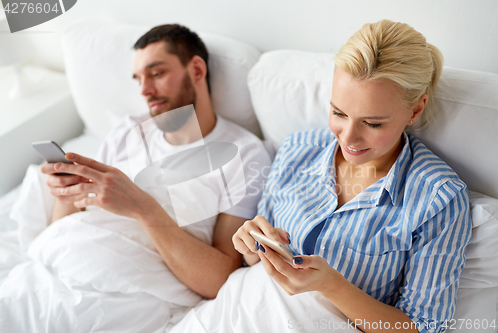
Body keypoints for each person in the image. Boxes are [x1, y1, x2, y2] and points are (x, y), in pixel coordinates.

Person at [171, 20, 472, 333]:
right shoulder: (297, 149)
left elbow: (422, 328)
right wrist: (251, 246)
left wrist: (333, 287)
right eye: (339, 113)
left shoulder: (439, 198)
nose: (349, 139)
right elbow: (253, 263)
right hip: (231, 314)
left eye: (372, 123)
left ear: (415, 110)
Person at [0, 24, 271, 332]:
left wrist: (142, 206)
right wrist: (67, 192)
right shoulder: (127, 131)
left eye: (156, 74)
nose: (144, 90)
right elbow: (65, 226)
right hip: (51, 268)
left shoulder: (245, 155)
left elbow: (221, 277)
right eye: (139, 79)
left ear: (196, 69)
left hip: (118, 294)